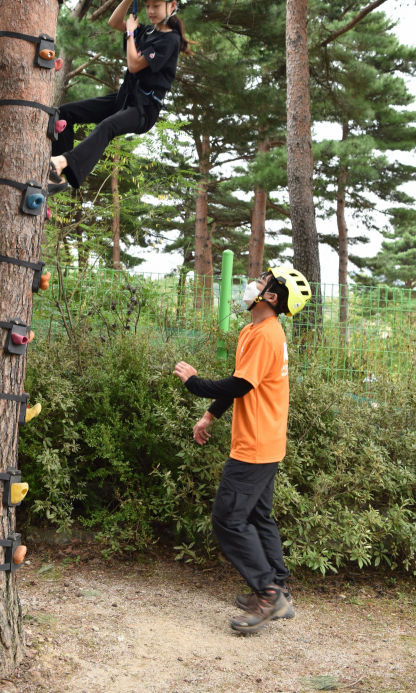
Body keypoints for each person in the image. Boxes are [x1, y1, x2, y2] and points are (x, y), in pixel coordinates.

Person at [173, 265, 311, 635]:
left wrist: (195, 383)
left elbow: (236, 384)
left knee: (229, 519)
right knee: (258, 517)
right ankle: (278, 586)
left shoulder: (267, 335)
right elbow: (243, 384)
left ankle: (268, 594)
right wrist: (209, 417)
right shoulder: (254, 330)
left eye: (263, 280)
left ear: (271, 297)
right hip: (266, 441)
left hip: (254, 446)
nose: (255, 282)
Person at [50, 0, 188, 188]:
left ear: (172, 6)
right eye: (148, 5)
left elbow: (134, 65)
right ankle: (56, 175)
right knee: (64, 113)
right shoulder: (148, 31)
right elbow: (114, 21)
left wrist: (132, 34)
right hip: (124, 98)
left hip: (144, 109)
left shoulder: (170, 40)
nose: (150, 11)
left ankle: (64, 161)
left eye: (156, 6)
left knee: (107, 126)